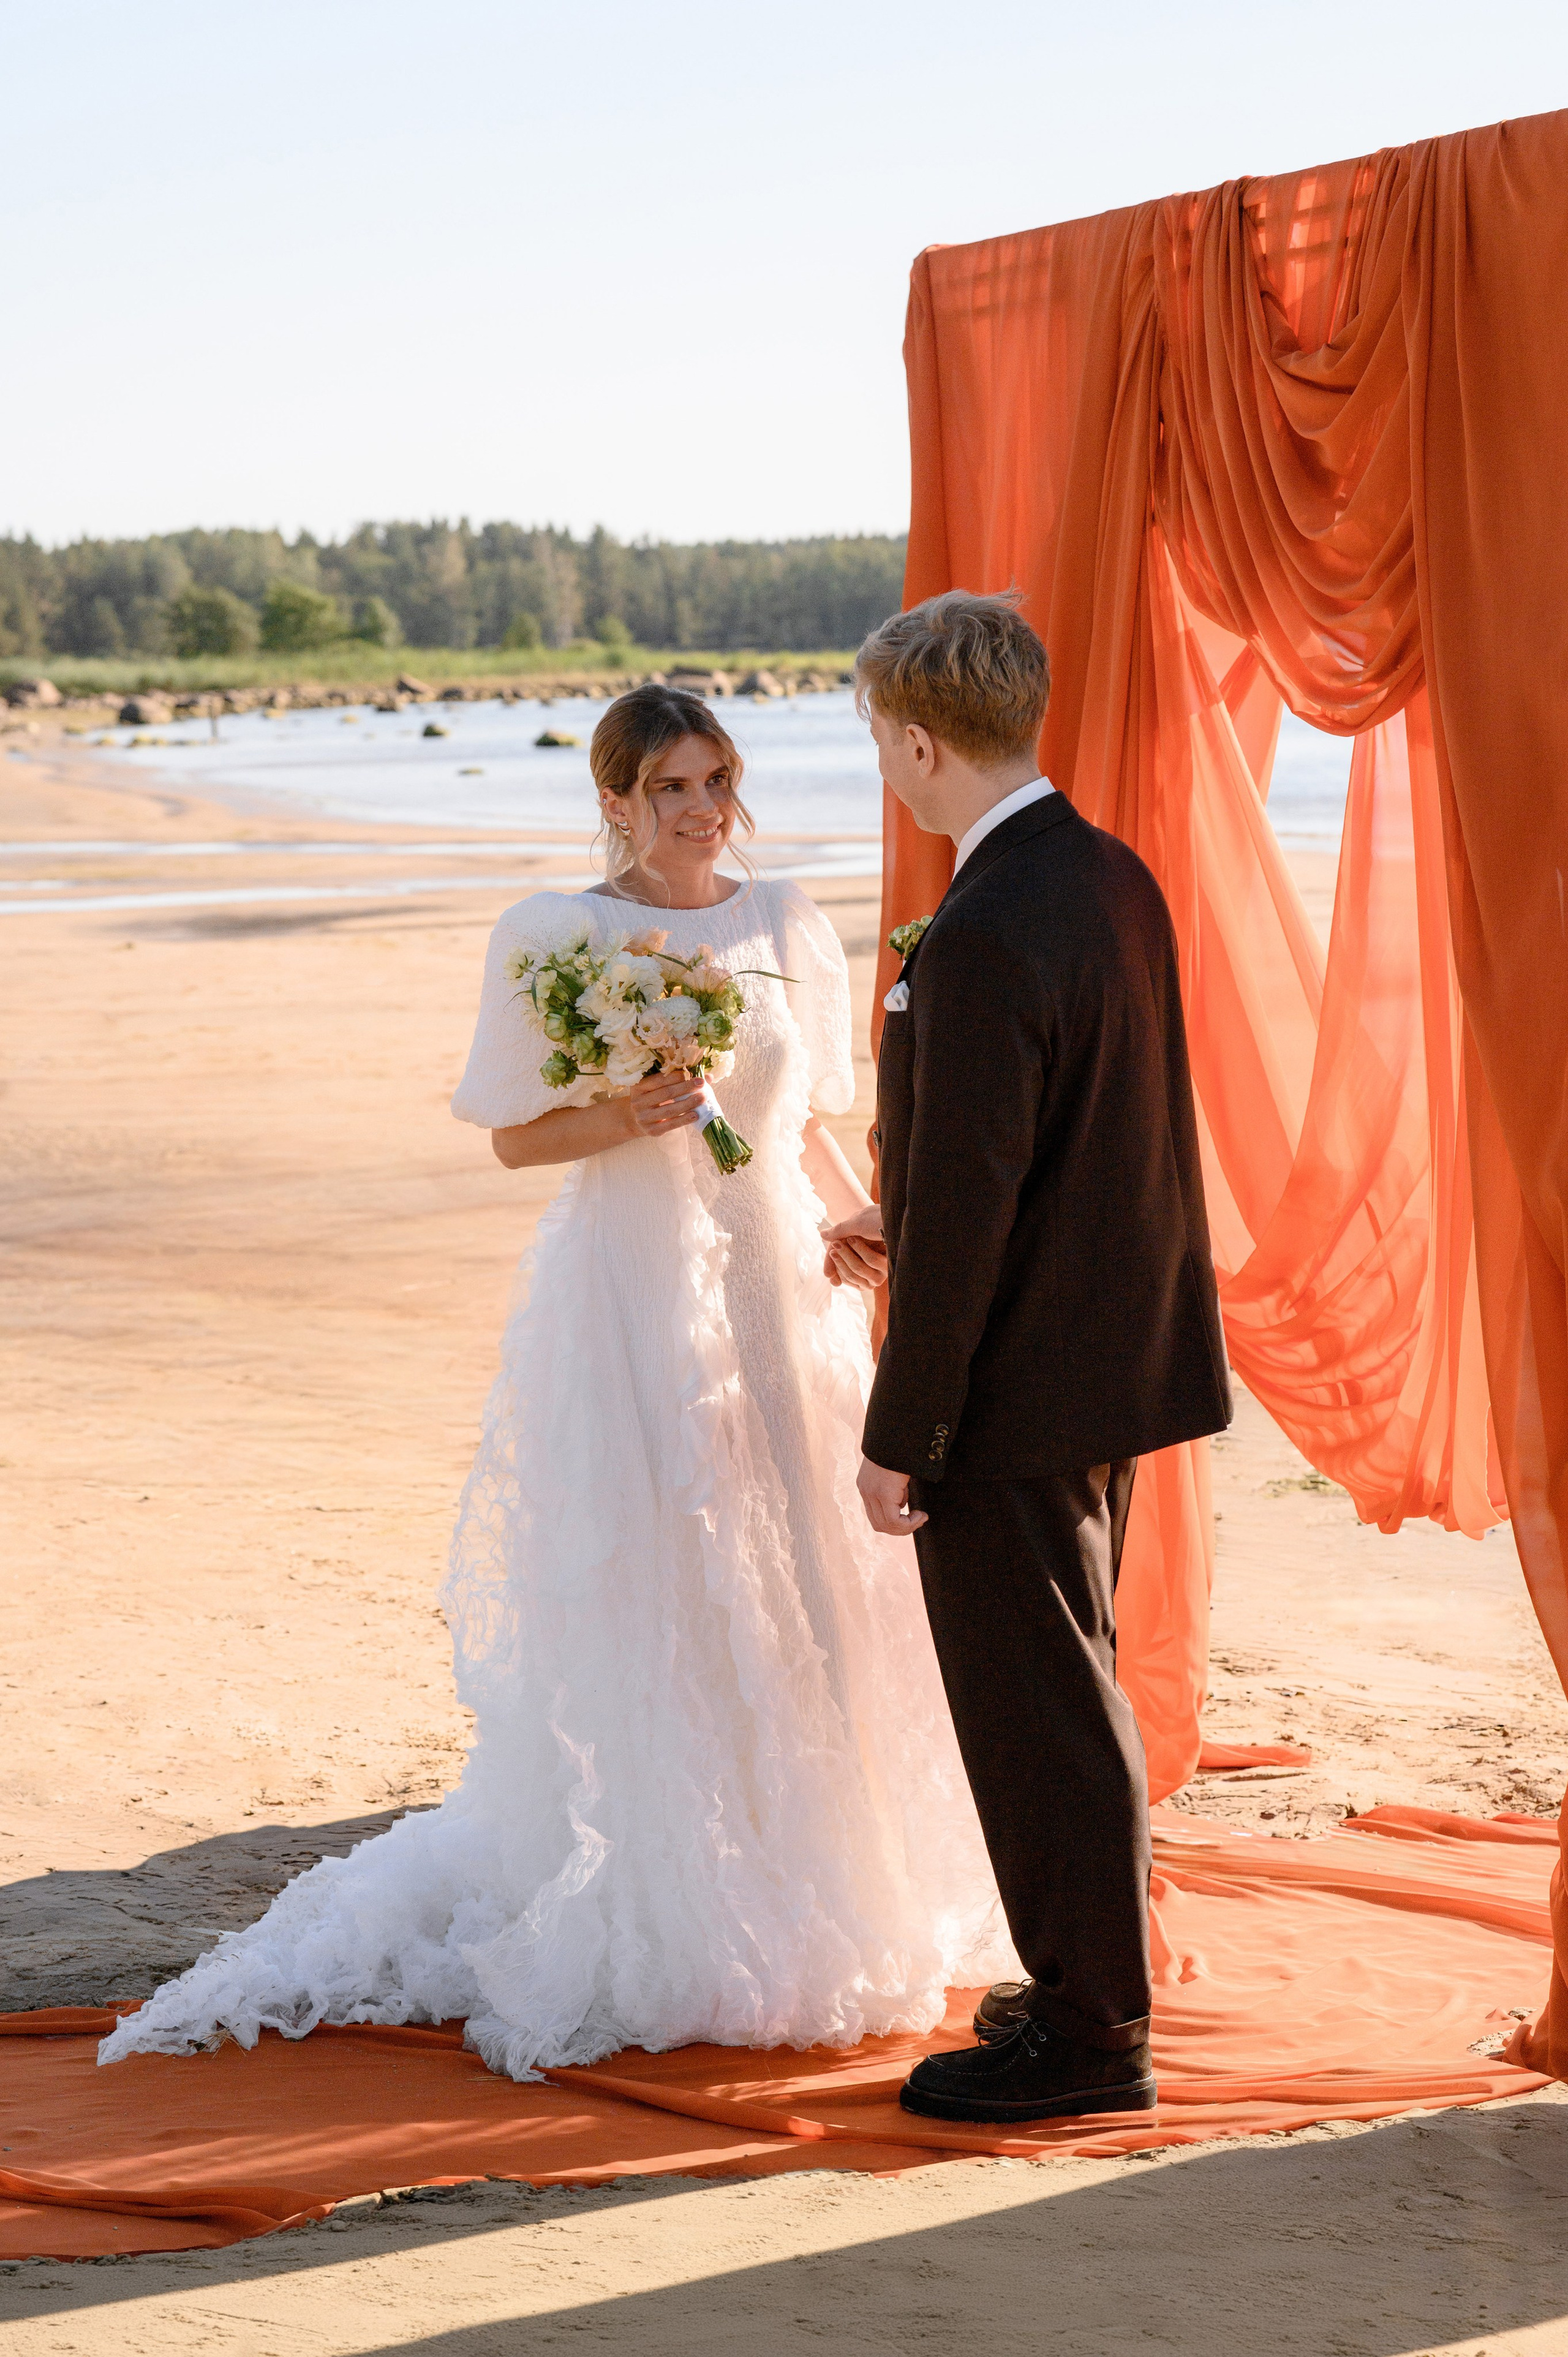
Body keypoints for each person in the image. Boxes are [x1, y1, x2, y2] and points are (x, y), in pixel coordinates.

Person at [100, 682, 1013, 2082]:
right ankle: (681, 1888)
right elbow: (515, 1143)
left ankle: (847, 1863)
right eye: (668, 788)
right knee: (670, 1566)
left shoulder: (781, 921)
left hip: (773, 1287)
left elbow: (807, 1117)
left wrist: (845, 1212)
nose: (700, 809)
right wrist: (623, 1111)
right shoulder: (559, 937)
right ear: (614, 800)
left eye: (715, 779)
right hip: (634, 1292)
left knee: (811, 1564)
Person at [822, 592, 1232, 2125]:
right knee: (1077, 1687)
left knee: (1036, 1707)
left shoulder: (988, 923)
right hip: (1109, 1353)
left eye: (878, 735)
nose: (882, 759)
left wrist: (902, 1426)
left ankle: (1088, 2035)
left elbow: (988, 1198)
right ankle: (1083, 1977)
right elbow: (1067, 1131)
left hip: (1013, 1384)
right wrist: (902, 1199)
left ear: (918, 738)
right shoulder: (1102, 874)